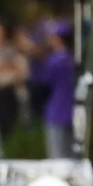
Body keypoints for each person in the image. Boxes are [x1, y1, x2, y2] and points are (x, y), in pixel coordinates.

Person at [36, 22, 77, 159]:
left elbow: (44, 84)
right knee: (71, 155)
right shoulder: (73, 59)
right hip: (72, 111)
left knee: (57, 156)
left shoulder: (54, 61)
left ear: (58, 38)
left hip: (55, 112)